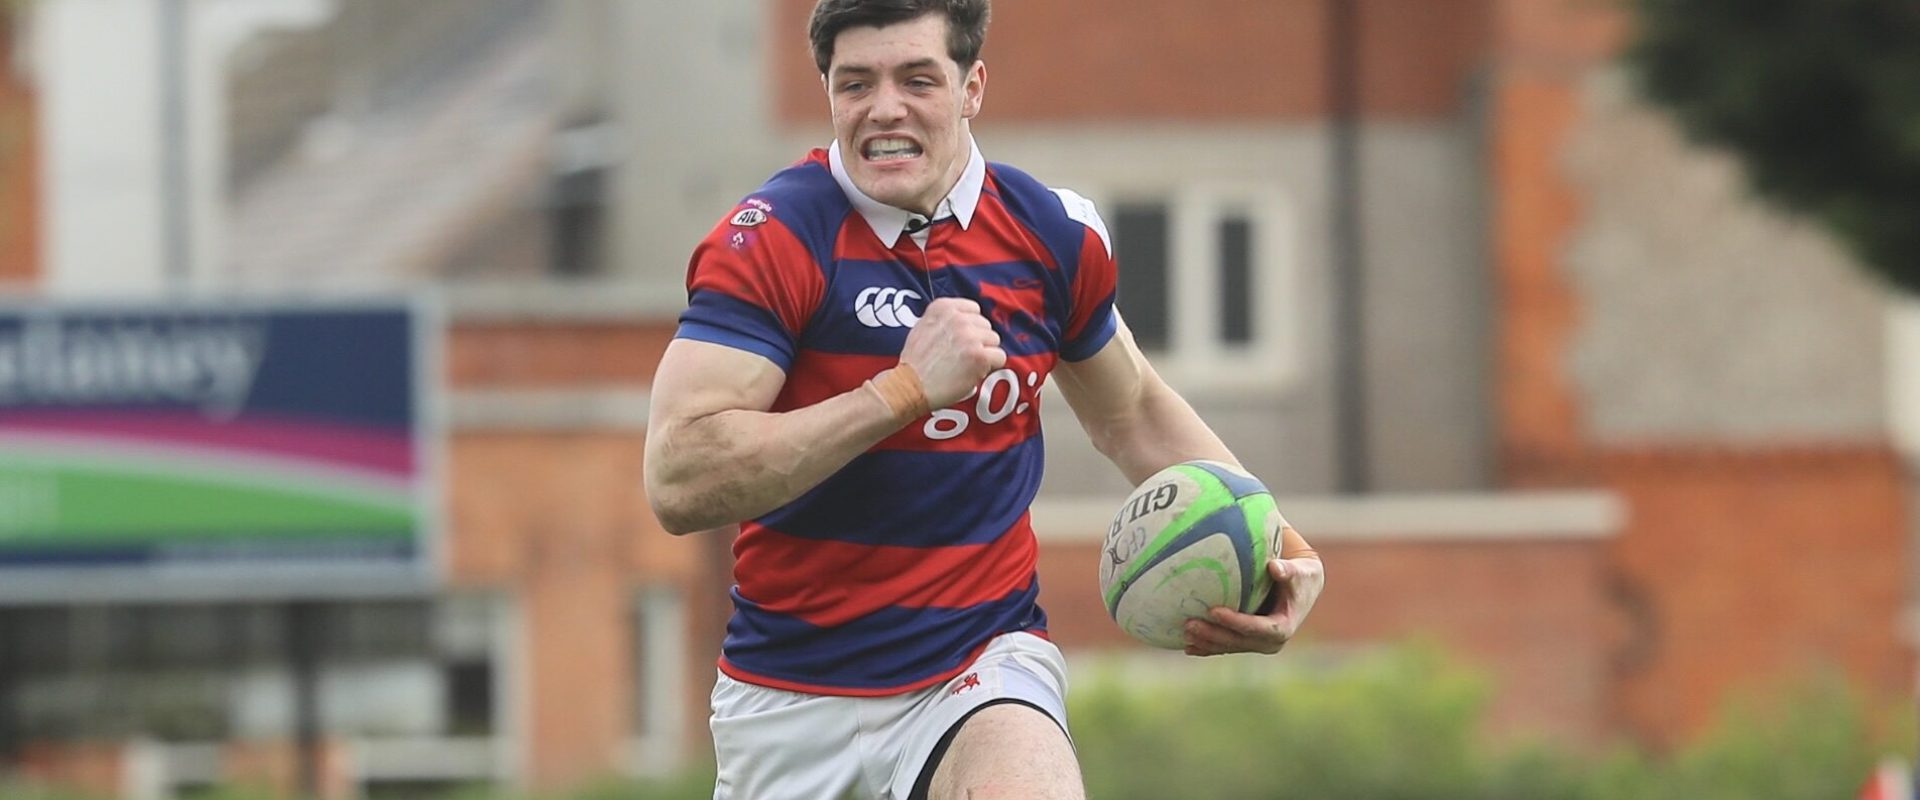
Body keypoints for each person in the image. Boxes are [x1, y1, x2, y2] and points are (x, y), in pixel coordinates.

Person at [643, 1, 1326, 797]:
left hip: (979, 668)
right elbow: (679, 479)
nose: (884, 107)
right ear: (827, 89)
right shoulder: (772, 239)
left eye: (917, 78)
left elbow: (1130, 412)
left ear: (973, 86)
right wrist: (900, 391)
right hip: (789, 701)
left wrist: (1281, 548)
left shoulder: (1050, 233)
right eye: (855, 82)